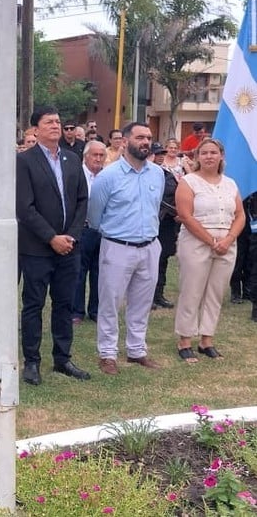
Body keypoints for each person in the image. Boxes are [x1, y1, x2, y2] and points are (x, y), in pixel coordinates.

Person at [16, 106, 91, 386]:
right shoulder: (24, 162)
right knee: (34, 305)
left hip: (69, 248)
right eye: (49, 122)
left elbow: (83, 200)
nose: (56, 126)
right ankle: (32, 361)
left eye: (58, 121)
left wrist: (70, 235)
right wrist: (51, 237)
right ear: (35, 129)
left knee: (64, 304)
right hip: (37, 248)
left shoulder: (72, 159)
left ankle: (62, 358)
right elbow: (24, 207)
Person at [87, 121, 165, 375]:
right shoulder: (108, 176)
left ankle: (136, 350)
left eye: (149, 137)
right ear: (125, 142)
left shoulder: (157, 173)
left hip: (150, 246)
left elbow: (155, 208)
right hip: (118, 247)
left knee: (142, 303)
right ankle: (108, 354)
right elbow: (95, 215)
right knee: (110, 301)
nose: (145, 142)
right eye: (140, 137)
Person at [173, 138, 245, 362]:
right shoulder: (189, 182)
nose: (209, 156)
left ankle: (206, 340)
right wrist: (212, 241)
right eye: (204, 153)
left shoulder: (230, 183)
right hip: (197, 241)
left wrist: (229, 239)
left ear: (221, 156)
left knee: (216, 293)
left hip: (227, 243)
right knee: (192, 291)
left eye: (213, 152)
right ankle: (185, 340)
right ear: (197, 157)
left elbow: (240, 214)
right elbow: (185, 215)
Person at [72, 140, 106, 325]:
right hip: (82, 229)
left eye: (102, 155)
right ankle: (76, 311)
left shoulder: (108, 176)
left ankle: (96, 310)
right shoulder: (76, 174)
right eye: (95, 154)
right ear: (86, 156)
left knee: (99, 271)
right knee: (78, 271)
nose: (98, 158)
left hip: (103, 230)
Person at [152, 142, 181, 310]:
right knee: (150, 263)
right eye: (157, 153)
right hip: (153, 224)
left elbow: (175, 194)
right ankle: (148, 297)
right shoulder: (145, 175)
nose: (160, 155)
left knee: (162, 261)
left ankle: (159, 294)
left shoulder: (167, 175)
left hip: (167, 224)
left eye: (162, 153)